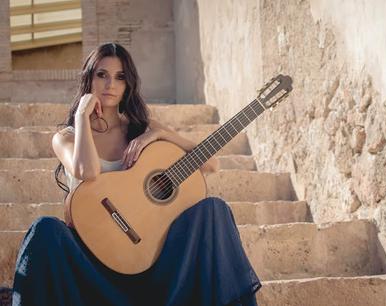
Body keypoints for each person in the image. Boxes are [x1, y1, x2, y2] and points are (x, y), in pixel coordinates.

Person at [12, 42, 261, 306]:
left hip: (148, 265)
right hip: (90, 266)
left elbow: (211, 164)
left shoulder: (141, 128)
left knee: (214, 209)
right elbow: (87, 171)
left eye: (120, 77)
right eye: (102, 75)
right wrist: (82, 118)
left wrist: (163, 134)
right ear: (89, 78)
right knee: (45, 229)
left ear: (128, 84)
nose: (111, 84)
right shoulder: (66, 137)